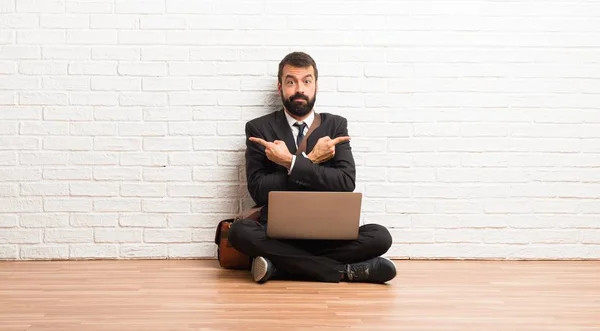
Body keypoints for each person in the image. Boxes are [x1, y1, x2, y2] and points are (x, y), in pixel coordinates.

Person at [228, 52, 396, 284]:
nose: (299, 89)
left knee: (380, 236)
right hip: (277, 234)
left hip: (328, 232)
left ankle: (279, 266)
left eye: (307, 81)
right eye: (291, 81)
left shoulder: (335, 125)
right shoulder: (259, 128)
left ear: (316, 85)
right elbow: (258, 189)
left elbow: (345, 182)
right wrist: (312, 160)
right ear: (280, 87)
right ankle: (344, 271)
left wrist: (291, 162)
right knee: (240, 232)